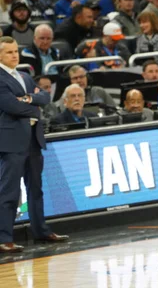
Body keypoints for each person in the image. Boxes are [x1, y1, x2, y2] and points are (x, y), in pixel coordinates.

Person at [0, 37, 69, 253]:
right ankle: (4, 238)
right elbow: (11, 106)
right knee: (9, 192)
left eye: (15, 51)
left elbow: (46, 97)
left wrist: (28, 100)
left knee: (36, 188)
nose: (14, 55)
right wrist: (33, 107)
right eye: (9, 52)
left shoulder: (24, 76)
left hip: (33, 139)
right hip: (11, 142)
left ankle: (40, 230)